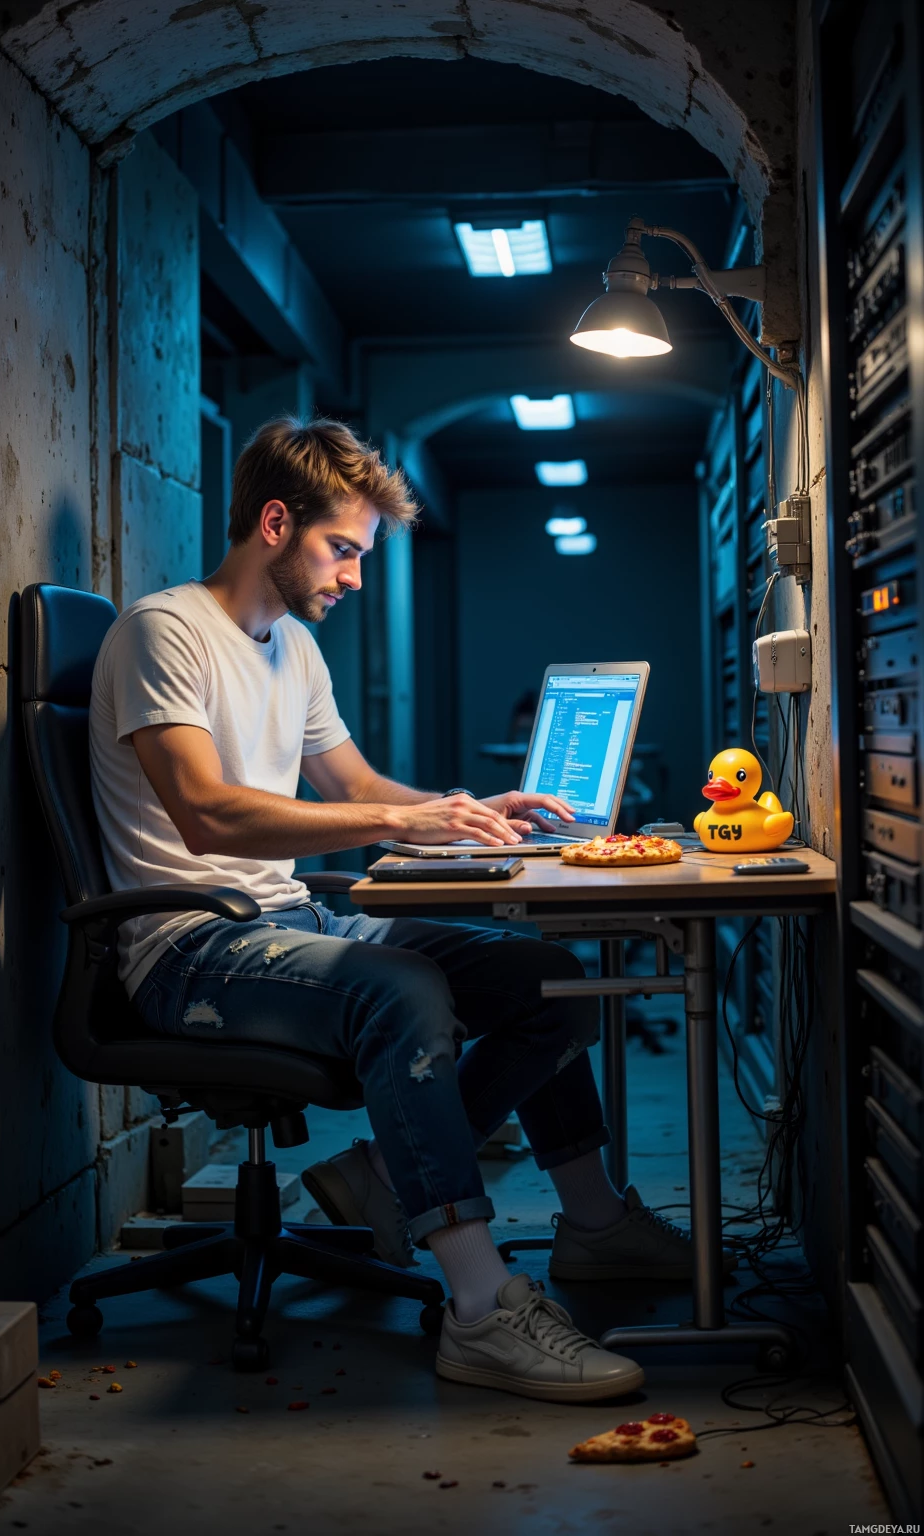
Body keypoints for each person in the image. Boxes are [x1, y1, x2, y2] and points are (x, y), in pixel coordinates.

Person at [89, 417, 725, 1404]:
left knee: (546, 980)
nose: (350, 576)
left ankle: (583, 1221)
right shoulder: (161, 632)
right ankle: (478, 1309)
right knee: (403, 991)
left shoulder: (289, 646)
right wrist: (391, 818)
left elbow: (350, 780)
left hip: (289, 924)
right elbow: (206, 815)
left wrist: (460, 811)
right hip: (187, 946)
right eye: (341, 549)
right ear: (272, 523)